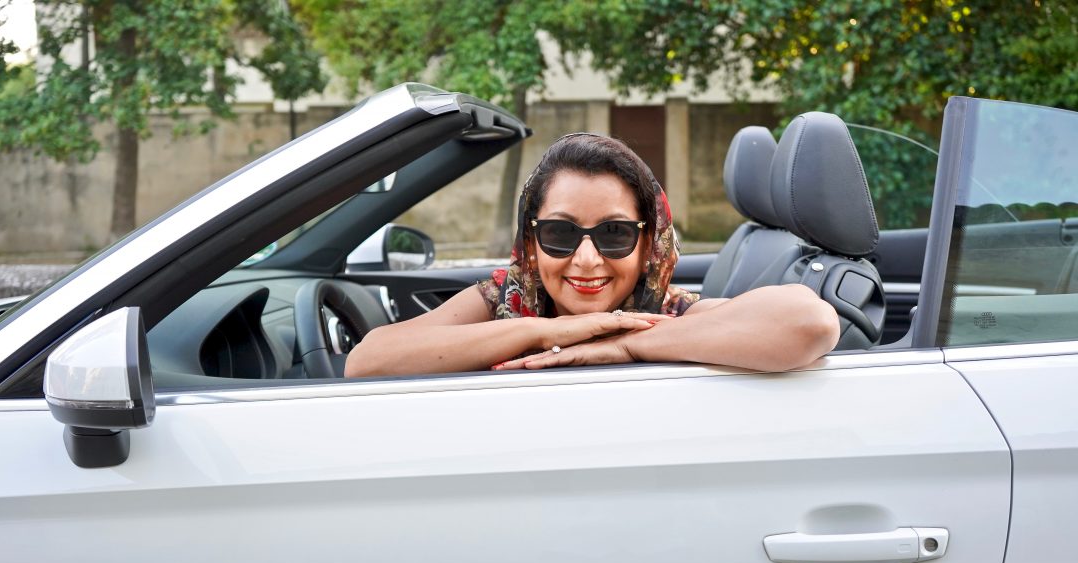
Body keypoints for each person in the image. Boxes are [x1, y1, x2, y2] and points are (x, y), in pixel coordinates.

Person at [344, 133, 838, 378]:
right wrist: (545, 332)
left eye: (615, 233)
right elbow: (366, 362)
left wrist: (626, 345)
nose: (585, 259)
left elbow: (809, 323)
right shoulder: (508, 298)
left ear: (649, 244)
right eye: (560, 233)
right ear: (531, 241)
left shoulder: (666, 313)